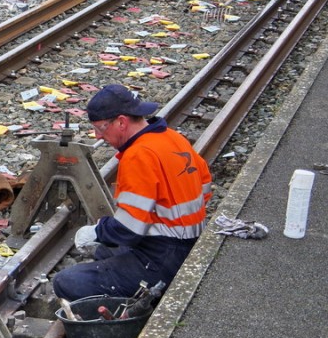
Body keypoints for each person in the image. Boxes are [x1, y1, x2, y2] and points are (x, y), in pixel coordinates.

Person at [52, 84, 212, 302]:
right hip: (190, 241)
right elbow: (205, 188)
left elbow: (128, 229)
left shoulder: (138, 156)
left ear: (121, 122)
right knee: (103, 252)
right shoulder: (172, 138)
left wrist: (97, 231)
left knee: (66, 281)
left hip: (163, 258)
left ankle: (133, 312)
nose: (98, 136)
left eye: (101, 128)